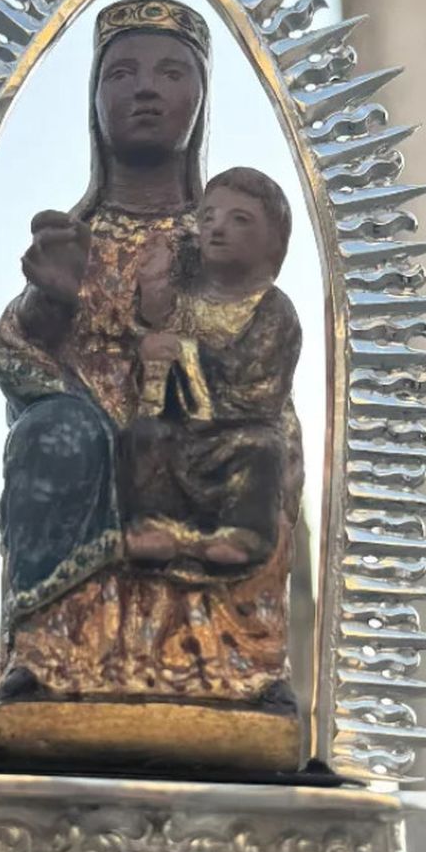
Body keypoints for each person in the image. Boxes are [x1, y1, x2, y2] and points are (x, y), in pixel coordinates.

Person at [0, 0, 299, 721]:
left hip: (206, 415)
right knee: (52, 437)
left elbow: (263, 330)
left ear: (200, 97)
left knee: (257, 450)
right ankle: (52, 657)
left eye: (171, 73)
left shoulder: (227, 232)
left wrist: (204, 387)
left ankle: (238, 666)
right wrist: (52, 300)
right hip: (87, 428)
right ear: (95, 102)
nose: (146, 89)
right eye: (121, 73)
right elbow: (17, 354)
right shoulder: (72, 234)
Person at [122, 166, 301, 572]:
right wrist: (151, 338)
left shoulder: (272, 308)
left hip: (240, 433)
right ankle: (157, 528)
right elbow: (149, 353)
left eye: (239, 220)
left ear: (273, 241)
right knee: (144, 436)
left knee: (262, 449)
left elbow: (259, 389)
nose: (217, 229)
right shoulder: (182, 299)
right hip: (180, 431)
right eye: (209, 217)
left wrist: (183, 353)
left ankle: (243, 534)